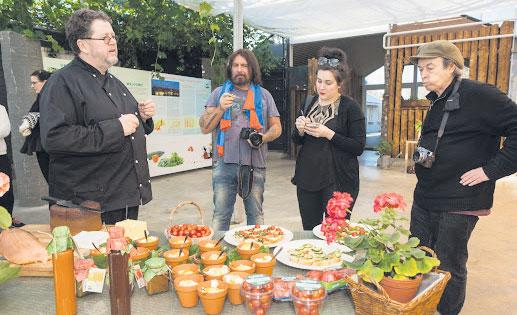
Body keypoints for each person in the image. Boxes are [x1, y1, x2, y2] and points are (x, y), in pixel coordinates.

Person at [409, 40, 517, 315]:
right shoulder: (437, 99)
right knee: (417, 257)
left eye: (430, 67)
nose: (424, 74)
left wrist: (490, 170)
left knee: (448, 264)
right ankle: (423, 307)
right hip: (426, 196)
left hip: (459, 200)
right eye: (421, 69)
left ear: (452, 67)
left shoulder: (479, 95)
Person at [40, 9, 155, 224]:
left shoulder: (115, 83)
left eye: (113, 36)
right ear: (82, 44)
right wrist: (116, 128)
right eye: (104, 38)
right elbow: (54, 138)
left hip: (124, 197)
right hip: (89, 205)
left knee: (125, 256)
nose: (113, 42)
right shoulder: (62, 83)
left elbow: (131, 124)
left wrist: (143, 116)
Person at [199, 49, 282, 231]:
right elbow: (204, 127)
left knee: (256, 216)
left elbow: (277, 127)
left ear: (252, 69)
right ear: (230, 69)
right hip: (224, 164)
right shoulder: (219, 93)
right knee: (221, 216)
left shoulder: (265, 95)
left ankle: (254, 255)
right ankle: (218, 257)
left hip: (255, 165)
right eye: (235, 65)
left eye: (244, 65)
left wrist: (263, 137)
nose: (239, 69)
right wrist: (220, 108)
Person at [291, 47, 366, 230]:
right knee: (310, 230)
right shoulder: (309, 102)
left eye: (328, 83)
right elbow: (297, 140)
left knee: (336, 232)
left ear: (339, 84)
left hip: (339, 180)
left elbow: (358, 146)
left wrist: (329, 134)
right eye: (319, 81)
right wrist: (299, 129)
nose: (321, 87)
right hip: (308, 178)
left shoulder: (350, 107)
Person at [19, 70, 52, 183]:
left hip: (48, 144)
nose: (32, 86)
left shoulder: (49, 97)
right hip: (44, 143)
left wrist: (30, 121)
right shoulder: (42, 97)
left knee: (53, 180)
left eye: (35, 83)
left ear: (46, 82)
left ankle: (56, 200)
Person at [0, 104, 19, 226]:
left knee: (5, 193)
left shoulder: (0, 109)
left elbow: (4, 130)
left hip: (0, 155)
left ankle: (6, 222)